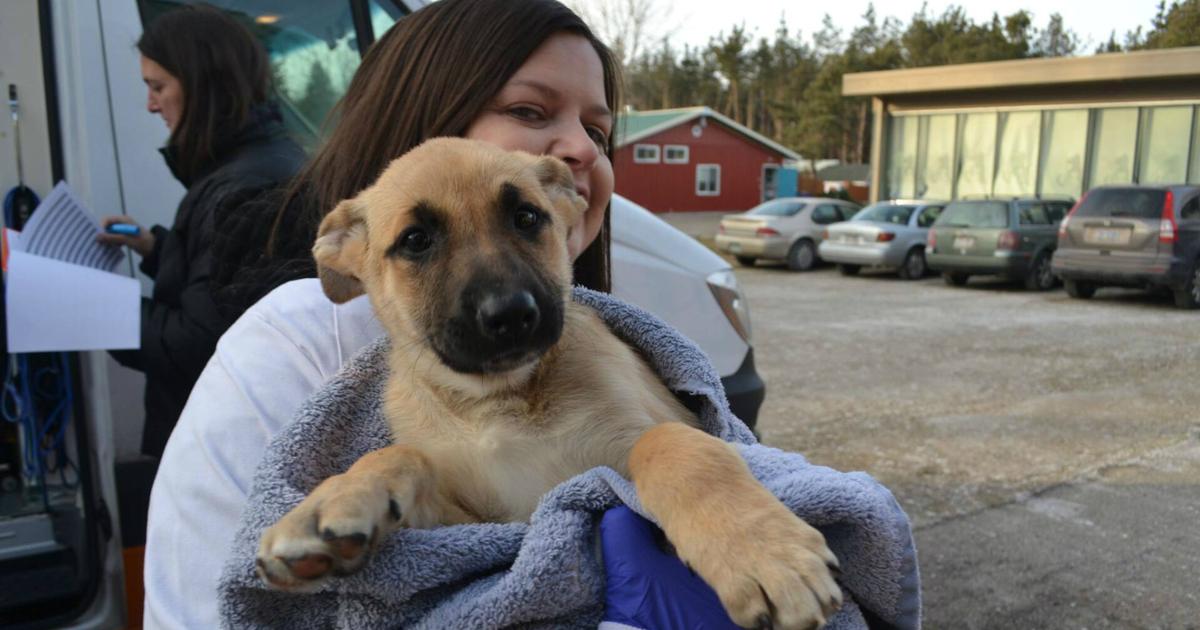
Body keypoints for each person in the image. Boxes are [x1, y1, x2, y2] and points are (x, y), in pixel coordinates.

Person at [144, 2, 917, 629]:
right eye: (528, 108)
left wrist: (711, 496)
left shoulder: (597, 341)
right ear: (350, 256)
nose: (579, 150)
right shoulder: (292, 353)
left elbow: (669, 443)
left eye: (599, 130)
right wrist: (387, 475)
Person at [96, 5, 305, 457]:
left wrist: (96, 308)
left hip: (220, 451)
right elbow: (224, 278)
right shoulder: (248, 166)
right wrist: (155, 249)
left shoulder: (244, 185)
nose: (151, 104)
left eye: (158, 87)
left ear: (203, 86)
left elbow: (197, 344)